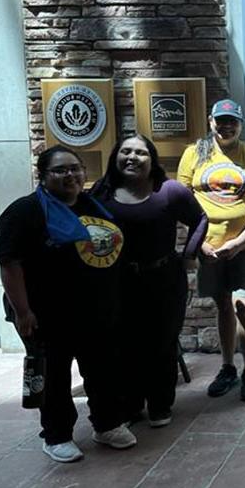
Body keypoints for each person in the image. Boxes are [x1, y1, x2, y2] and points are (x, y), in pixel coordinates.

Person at [0, 145, 137, 463]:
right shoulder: (25, 212)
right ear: (42, 176)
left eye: (75, 168)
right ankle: (56, 435)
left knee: (102, 370)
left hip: (95, 311)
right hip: (45, 314)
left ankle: (107, 424)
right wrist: (23, 312)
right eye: (60, 170)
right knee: (55, 375)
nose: (70, 175)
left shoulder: (94, 206)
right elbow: (10, 264)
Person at [91, 134, 207, 427]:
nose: (132, 157)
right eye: (125, 151)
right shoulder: (101, 192)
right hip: (117, 281)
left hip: (164, 280)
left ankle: (160, 405)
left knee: (162, 344)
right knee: (124, 345)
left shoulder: (169, 191)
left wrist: (190, 253)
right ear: (115, 157)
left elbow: (200, 219)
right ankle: (130, 406)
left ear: (152, 159)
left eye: (140, 153)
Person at [177, 99, 245, 402]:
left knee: (242, 305)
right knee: (223, 307)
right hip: (210, 249)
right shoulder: (194, 154)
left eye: (232, 121)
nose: (226, 126)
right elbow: (180, 201)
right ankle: (228, 367)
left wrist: (241, 241)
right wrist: (199, 242)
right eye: (221, 120)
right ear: (211, 121)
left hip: (243, 247)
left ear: (241, 124)